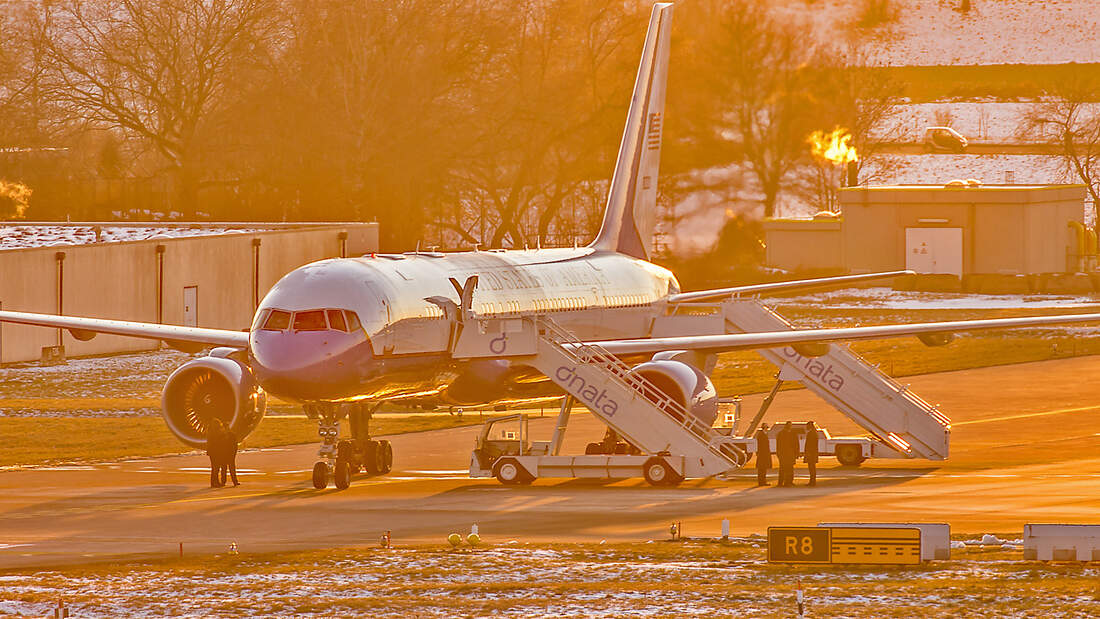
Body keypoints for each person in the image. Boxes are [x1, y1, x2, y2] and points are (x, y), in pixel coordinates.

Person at [206, 419, 227, 488]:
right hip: (216, 452)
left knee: (214, 468)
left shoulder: (210, 432)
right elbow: (219, 441)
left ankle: (214, 482)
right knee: (216, 468)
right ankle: (215, 482)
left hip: (212, 452)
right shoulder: (216, 433)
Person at [776, 421, 797, 487]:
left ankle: (785, 482)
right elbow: (796, 444)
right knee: (787, 469)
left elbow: (795, 444)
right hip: (786, 454)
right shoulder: (790, 434)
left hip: (786, 454)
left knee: (785, 469)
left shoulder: (782, 433)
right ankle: (787, 482)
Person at [804, 421, 820, 486]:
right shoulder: (814, 433)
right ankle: (812, 481)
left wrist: (808, 453)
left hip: (811, 454)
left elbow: (810, 445)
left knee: (811, 468)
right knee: (812, 468)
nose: (806, 427)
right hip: (813, 453)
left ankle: (812, 482)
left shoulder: (811, 433)